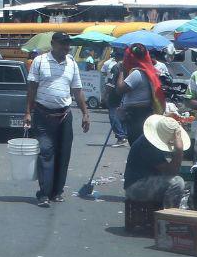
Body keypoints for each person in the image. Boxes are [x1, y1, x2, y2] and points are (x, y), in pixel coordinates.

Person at [24, 32, 90, 207]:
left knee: (63, 153)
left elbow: (77, 90)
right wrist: (28, 113)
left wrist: (85, 113)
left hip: (64, 116)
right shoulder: (39, 61)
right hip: (43, 115)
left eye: (68, 45)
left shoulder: (72, 63)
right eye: (63, 44)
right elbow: (32, 88)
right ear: (53, 44)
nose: (66, 48)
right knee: (46, 152)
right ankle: (44, 194)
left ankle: (57, 192)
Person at [123, 114, 190, 210]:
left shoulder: (148, 142)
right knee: (177, 183)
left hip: (145, 182)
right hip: (135, 187)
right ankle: (168, 218)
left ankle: (168, 215)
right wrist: (179, 150)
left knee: (184, 186)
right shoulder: (147, 145)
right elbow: (171, 172)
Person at [115, 43, 166, 147]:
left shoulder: (137, 73)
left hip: (136, 115)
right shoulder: (147, 71)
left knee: (135, 145)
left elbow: (120, 89)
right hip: (144, 112)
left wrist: (121, 71)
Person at [103, 49, 129, 147]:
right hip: (126, 94)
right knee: (124, 116)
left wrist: (105, 95)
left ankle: (121, 137)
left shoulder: (116, 67)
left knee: (113, 115)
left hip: (115, 95)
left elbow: (111, 83)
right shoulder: (129, 67)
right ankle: (125, 135)